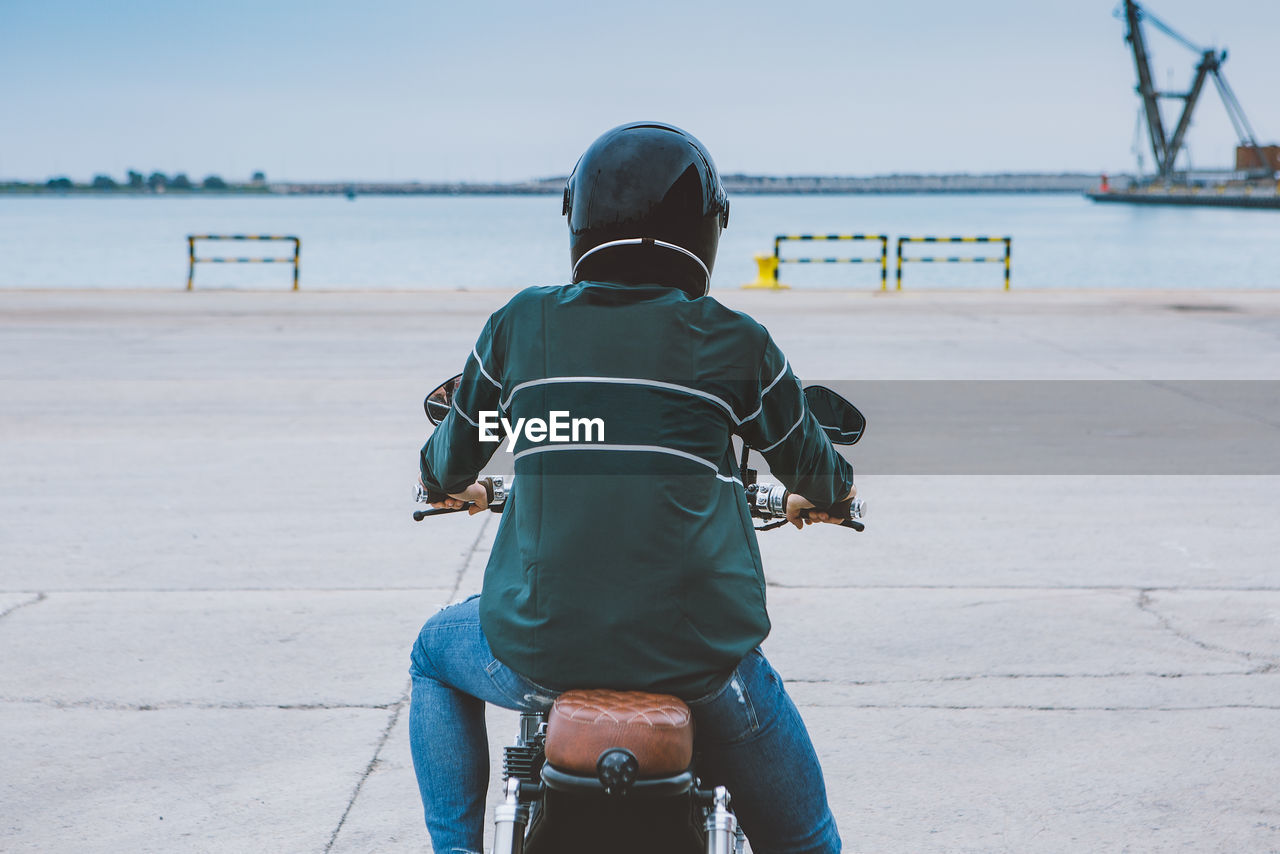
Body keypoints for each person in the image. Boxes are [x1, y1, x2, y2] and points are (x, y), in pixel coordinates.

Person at [410, 121, 855, 854]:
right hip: (701, 664)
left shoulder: (520, 324)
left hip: (536, 655)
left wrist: (453, 477)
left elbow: (444, 467)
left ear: (578, 217)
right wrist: (827, 497)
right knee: (809, 842)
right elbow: (822, 475)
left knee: (434, 651)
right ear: (707, 227)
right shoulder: (737, 341)